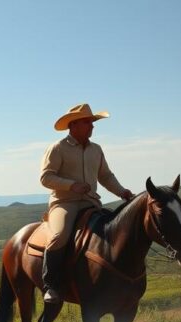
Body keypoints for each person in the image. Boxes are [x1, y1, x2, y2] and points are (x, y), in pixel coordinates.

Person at [40, 103, 133, 303]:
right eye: (88, 122)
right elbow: (46, 178)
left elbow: (106, 176)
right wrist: (72, 185)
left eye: (92, 122)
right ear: (74, 125)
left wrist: (122, 191)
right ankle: (51, 285)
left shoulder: (96, 150)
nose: (92, 127)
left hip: (91, 203)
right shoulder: (58, 148)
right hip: (64, 203)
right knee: (59, 236)